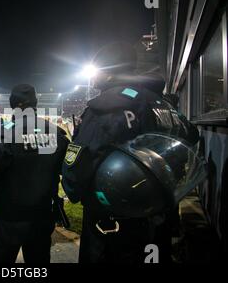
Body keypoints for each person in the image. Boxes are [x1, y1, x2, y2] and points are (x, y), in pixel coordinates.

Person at [62, 42, 200, 263]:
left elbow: (80, 162)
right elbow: (191, 135)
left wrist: (72, 189)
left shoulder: (111, 105)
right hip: (159, 214)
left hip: (116, 222)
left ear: (107, 72)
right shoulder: (162, 104)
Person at [0, 84, 70, 263]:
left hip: (7, 220)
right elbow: (68, 174)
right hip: (41, 218)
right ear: (35, 103)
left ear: (13, 104)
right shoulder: (56, 134)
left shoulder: (2, 135)